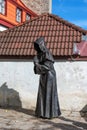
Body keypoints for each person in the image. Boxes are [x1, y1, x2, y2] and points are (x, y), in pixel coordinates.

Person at [33, 37, 61, 119]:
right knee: (43, 94)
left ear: (41, 45)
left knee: (49, 94)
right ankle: (42, 112)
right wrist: (36, 63)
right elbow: (39, 65)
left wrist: (37, 64)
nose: (37, 48)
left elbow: (47, 66)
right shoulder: (40, 54)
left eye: (38, 46)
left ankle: (50, 113)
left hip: (49, 76)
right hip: (44, 75)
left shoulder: (47, 53)